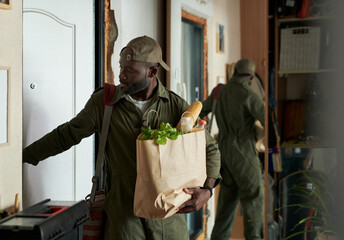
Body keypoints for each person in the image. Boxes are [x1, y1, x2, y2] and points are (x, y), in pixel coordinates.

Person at [23, 35, 221, 240]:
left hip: (169, 223)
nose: (121, 76)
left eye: (130, 70)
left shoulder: (176, 106)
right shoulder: (104, 103)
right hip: (123, 222)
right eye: (121, 67)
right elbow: (66, 135)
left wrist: (207, 190)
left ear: (152, 71)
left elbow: (210, 149)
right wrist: (20, 157)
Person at [200, 58, 265, 240]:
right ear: (251, 77)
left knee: (226, 205)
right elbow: (267, 119)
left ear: (234, 72)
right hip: (243, 152)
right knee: (254, 198)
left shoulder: (219, 91)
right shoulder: (248, 94)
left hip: (222, 153)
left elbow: (201, 111)